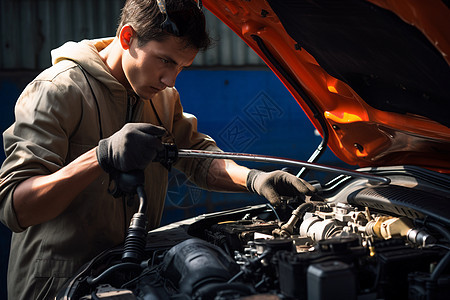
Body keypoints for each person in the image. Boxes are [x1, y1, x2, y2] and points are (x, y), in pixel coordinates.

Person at [0, 0, 317, 299]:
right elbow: (16, 207)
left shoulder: (163, 99)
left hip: (127, 278)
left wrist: (253, 179)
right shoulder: (57, 91)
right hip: (58, 286)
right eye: (164, 60)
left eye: (181, 67)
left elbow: (197, 157)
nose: (169, 79)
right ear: (128, 37)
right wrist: (99, 157)